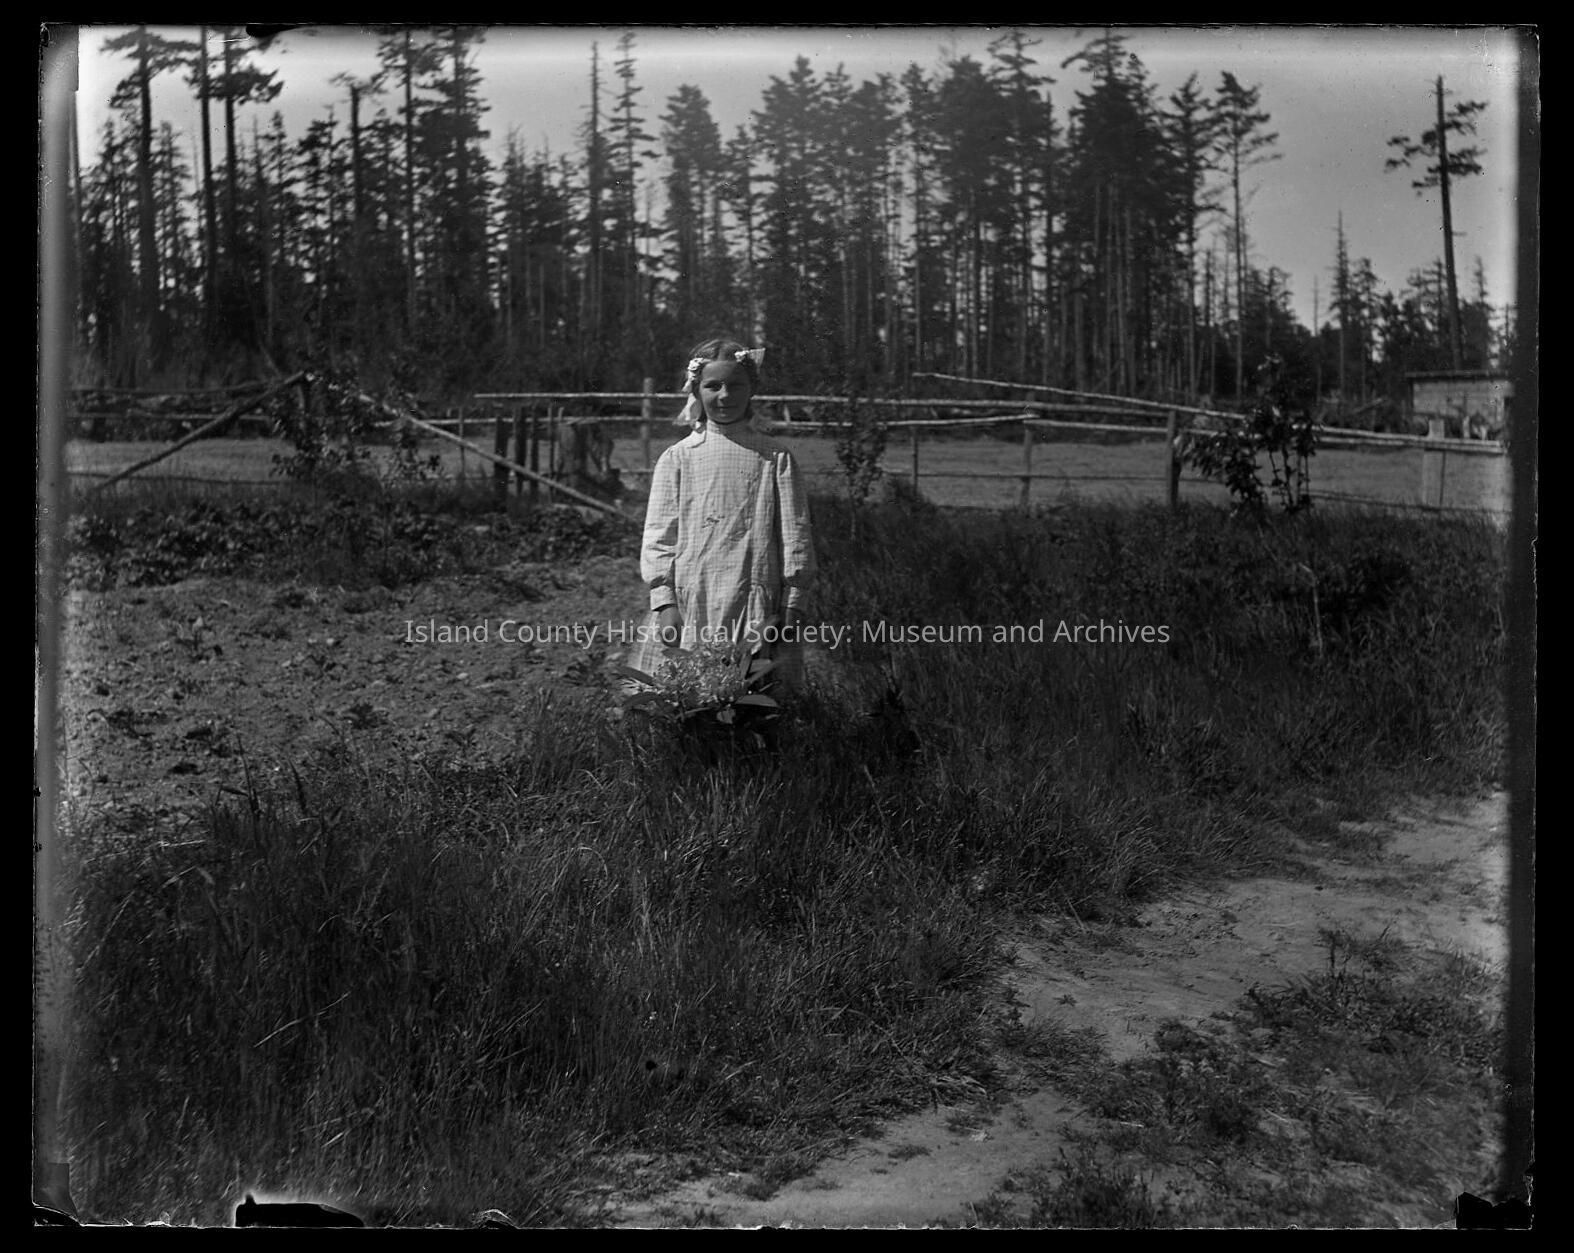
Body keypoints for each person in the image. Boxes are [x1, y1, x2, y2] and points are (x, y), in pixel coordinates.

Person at [626, 338, 814, 691]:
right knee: (688, 694)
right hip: (694, 598)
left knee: (757, 695)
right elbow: (660, 535)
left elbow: (796, 534)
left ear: (752, 388)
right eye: (713, 386)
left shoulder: (775, 458)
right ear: (696, 389)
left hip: (755, 602)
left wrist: (794, 601)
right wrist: (665, 602)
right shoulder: (678, 458)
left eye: (736, 385)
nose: (725, 395)